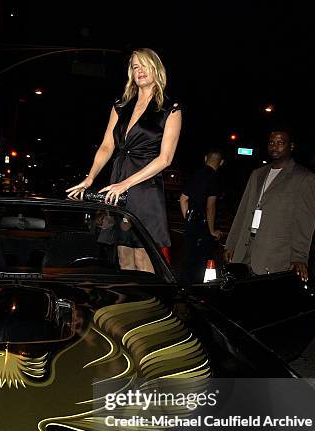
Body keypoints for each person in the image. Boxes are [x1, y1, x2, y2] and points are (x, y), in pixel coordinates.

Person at [66, 48, 182, 272]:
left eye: (144, 64)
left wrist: (126, 184)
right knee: (123, 256)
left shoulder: (170, 109)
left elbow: (165, 159)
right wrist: (90, 178)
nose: (139, 70)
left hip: (145, 188)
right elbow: (107, 146)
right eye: (135, 66)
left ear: (156, 68)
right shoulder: (121, 105)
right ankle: (127, 305)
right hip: (116, 182)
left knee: (142, 256)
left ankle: (149, 304)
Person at [224, 128, 315, 282]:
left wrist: (299, 256)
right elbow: (243, 211)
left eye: (281, 143)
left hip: (274, 255)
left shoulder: (304, 177)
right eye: (272, 143)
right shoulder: (257, 174)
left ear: (291, 146)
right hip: (245, 251)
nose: (275, 146)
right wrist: (231, 243)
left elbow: (304, 222)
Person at [179, 149, 224, 282]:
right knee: (201, 263)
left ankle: (184, 289)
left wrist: (188, 220)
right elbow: (210, 206)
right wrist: (211, 231)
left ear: (205, 158)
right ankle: (198, 292)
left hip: (191, 224)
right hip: (203, 227)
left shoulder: (196, 175)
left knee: (188, 260)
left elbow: (183, 199)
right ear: (221, 162)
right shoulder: (214, 178)